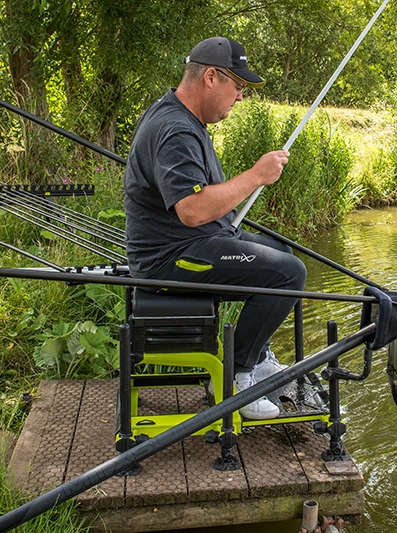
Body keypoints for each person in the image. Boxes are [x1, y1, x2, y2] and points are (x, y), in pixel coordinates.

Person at [123, 37, 306, 420]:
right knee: (288, 273)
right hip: (171, 259)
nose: (239, 97)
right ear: (210, 77)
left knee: (282, 253)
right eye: (237, 86)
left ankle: (255, 358)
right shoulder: (175, 130)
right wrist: (256, 176)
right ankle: (235, 379)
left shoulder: (178, 115)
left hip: (194, 243)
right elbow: (192, 210)